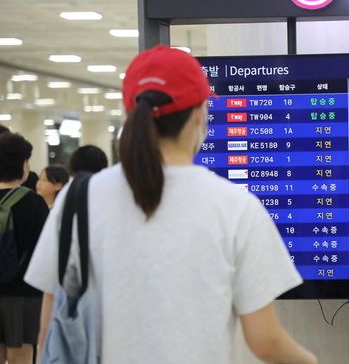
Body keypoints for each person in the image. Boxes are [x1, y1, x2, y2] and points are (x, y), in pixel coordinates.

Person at [25, 45, 317, 364]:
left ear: (130, 112)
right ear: (199, 114)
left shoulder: (78, 198)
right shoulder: (235, 207)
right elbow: (265, 341)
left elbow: (50, 329)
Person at [0, 132, 49, 364]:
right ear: (22, 164)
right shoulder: (33, 202)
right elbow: (46, 249)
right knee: (20, 353)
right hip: (24, 292)